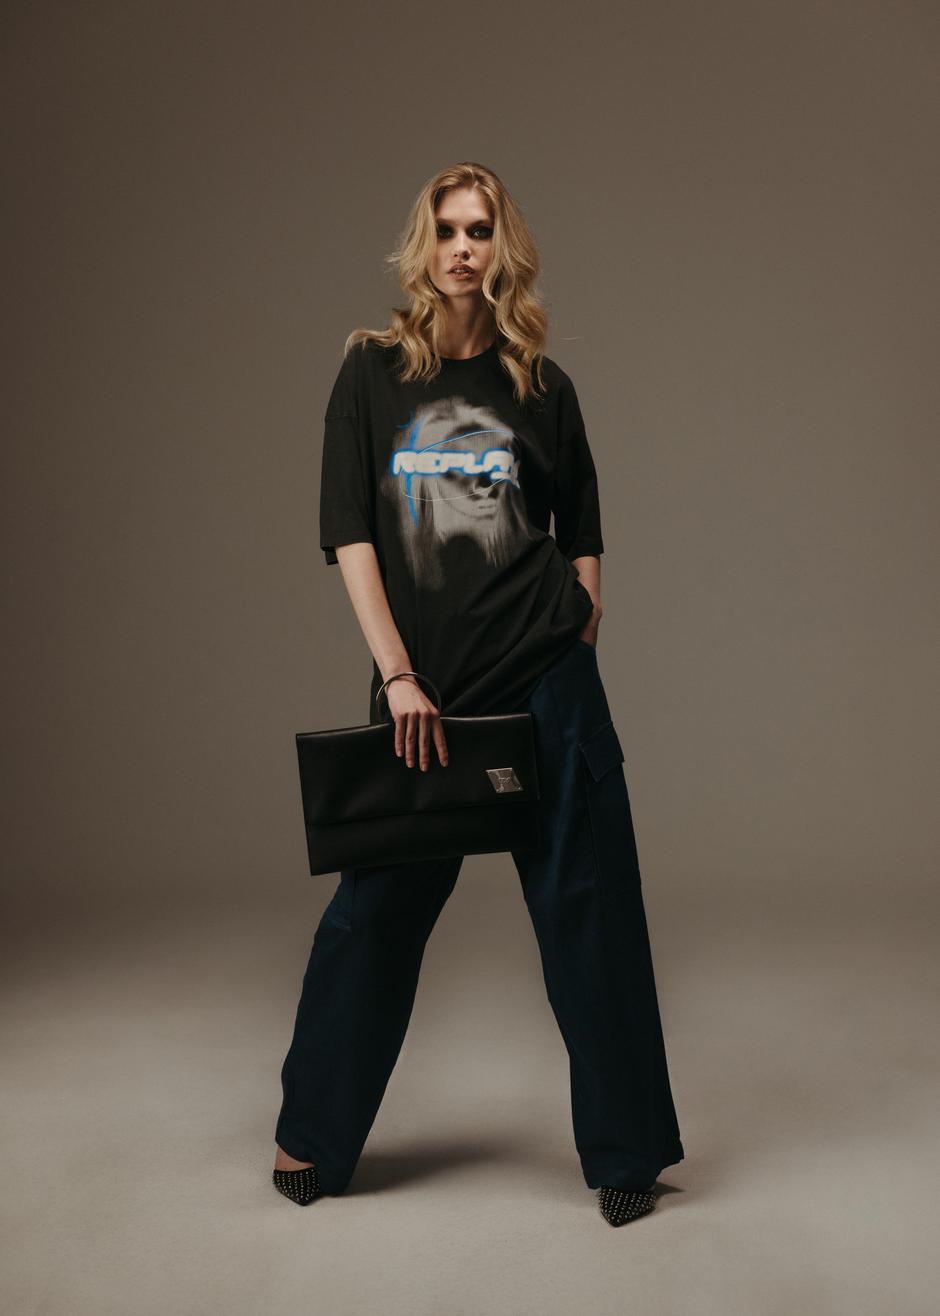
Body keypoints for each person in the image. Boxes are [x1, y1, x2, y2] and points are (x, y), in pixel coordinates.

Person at [272, 162, 684, 1226]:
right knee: (372, 919)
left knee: (591, 914)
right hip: (429, 700)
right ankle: (311, 1129)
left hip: (547, 683)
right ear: (425, 244)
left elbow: (582, 527)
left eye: (482, 230)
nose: (464, 248)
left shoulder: (542, 386)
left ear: (505, 247)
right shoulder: (370, 374)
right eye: (449, 229)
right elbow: (349, 533)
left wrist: (580, 623)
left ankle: (629, 1151)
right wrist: (399, 674)